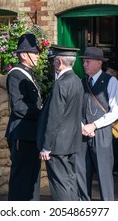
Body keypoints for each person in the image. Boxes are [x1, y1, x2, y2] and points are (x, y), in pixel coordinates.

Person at [37, 45, 83, 201]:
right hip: (71, 141)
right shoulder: (77, 80)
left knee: (59, 185)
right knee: (69, 180)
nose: (52, 64)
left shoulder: (61, 83)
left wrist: (46, 146)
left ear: (59, 61)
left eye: (54, 61)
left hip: (57, 145)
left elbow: (54, 117)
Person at [76, 47, 118, 201]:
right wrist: (83, 126)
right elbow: (77, 110)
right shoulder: (82, 82)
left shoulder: (111, 81)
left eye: (87, 61)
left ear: (98, 63)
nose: (84, 64)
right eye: (84, 61)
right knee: (82, 174)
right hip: (82, 134)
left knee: (104, 175)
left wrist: (94, 125)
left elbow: (116, 111)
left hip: (101, 133)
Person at [5, 32, 43, 201]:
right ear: (24, 54)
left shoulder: (29, 73)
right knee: (21, 179)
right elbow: (19, 106)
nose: (37, 56)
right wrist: (42, 113)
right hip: (22, 134)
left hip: (31, 134)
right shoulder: (16, 74)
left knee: (33, 178)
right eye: (34, 53)